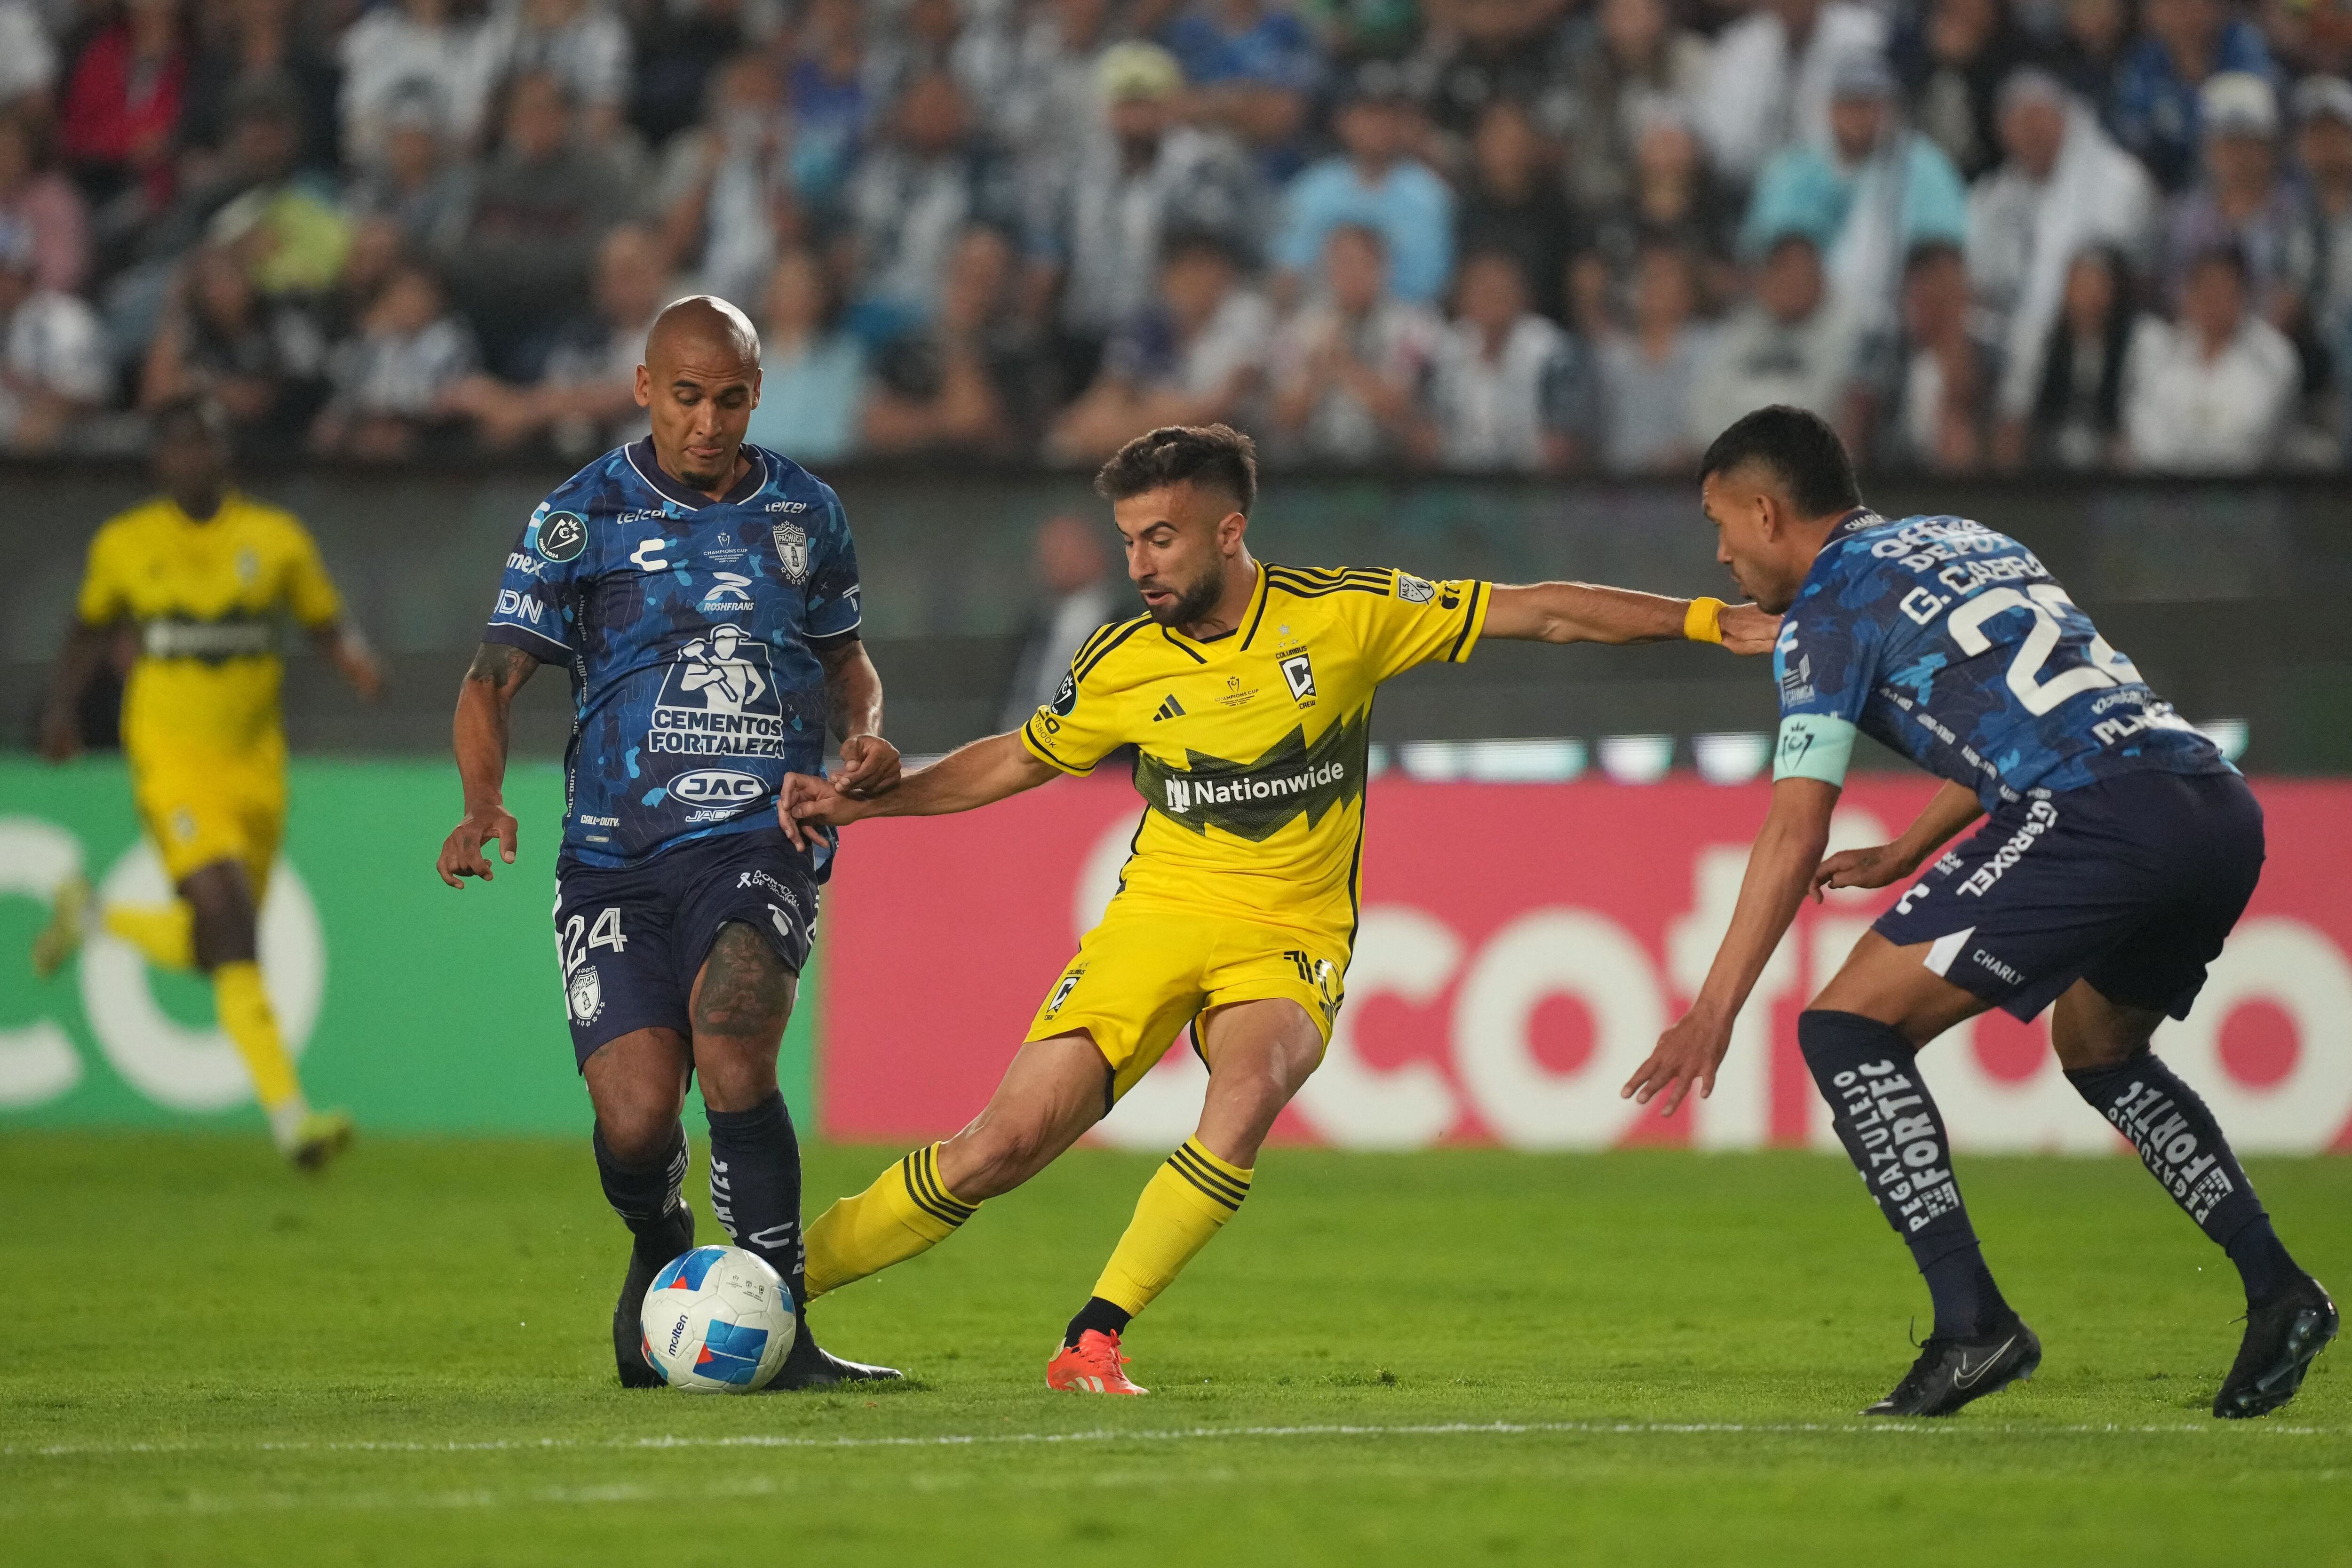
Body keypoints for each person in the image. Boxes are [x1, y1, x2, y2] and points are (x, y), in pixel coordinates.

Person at [775, 422, 1778, 1393]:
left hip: (1289, 937)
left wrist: (1702, 619)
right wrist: (866, 804)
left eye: (1159, 537)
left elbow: (1542, 609)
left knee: (1246, 1090)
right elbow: (1016, 757)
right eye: (1128, 540)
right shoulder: (1123, 658)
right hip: (1153, 922)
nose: (1140, 563)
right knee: (999, 1147)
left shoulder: (1342, 615)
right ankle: (774, 1288)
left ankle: (1093, 1335)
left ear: (1226, 528)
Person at [1624, 403, 2336, 1419]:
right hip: (2212, 804)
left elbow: (1792, 832)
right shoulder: (1967, 537)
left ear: (1767, 511)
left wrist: (1713, 1007)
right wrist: (1913, 848)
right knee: (2098, 1046)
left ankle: (1973, 1326)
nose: (1721, 553)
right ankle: (2278, 1290)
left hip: (2099, 816)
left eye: (1718, 524)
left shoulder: (1825, 614)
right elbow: (2031, 708)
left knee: (1843, 1027)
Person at [434, 294, 899, 1392]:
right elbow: (490, 677)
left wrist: (868, 741)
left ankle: (782, 1327)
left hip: (762, 832)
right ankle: (658, 1241)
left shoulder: (804, 511)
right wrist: (480, 799)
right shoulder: (580, 513)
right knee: (636, 1120)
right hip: (614, 854)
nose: (709, 420)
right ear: (645, 388)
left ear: (754, 397)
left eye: (731, 398)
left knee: (736, 1037)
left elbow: (850, 667)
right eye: (687, 396)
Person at [32, 396, 381, 1171]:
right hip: (169, 753)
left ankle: (95, 915)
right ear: (160, 461)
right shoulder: (126, 544)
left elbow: (324, 618)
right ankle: (293, 1119)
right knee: (226, 916)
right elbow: (88, 627)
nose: (191, 460)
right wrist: (60, 709)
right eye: (177, 449)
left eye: (205, 446)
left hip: (256, 766)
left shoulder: (275, 540)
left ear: (225, 456)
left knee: (215, 943)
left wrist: (354, 658)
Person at [2121, 242, 2299, 470]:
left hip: (2251, 492)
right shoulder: (2160, 350)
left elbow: (2253, 442)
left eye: (2225, 291)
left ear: (2243, 296)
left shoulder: (2275, 355)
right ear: (2189, 295)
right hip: (2168, 490)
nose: (2213, 302)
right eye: (2205, 289)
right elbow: (2145, 432)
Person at [995, 511, 1123, 732]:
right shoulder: (1033, 627)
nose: (1052, 559)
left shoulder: (1126, 627)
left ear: (1096, 552)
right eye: (1047, 550)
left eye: (1064, 548)